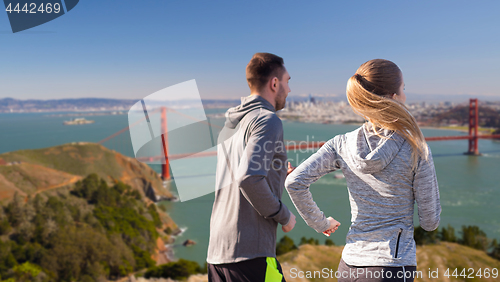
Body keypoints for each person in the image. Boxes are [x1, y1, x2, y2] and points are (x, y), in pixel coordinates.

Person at [285, 59, 441, 282]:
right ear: (394, 98)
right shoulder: (416, 147)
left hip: (349, 267)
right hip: (392, 268)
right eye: (403, 89)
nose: (406, 96)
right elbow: (430, 222)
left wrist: (321, 223)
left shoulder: (341, 144)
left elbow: (294, 182)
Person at [207, 52, 326, 282]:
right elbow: (248, 178)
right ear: (274, 83)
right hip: (251, 254)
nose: (289, 90)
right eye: (287, 81)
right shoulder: (267, 120)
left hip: (217, 254)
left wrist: (279, 173)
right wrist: (284, 215)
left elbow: (237, 174)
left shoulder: (230, 126)